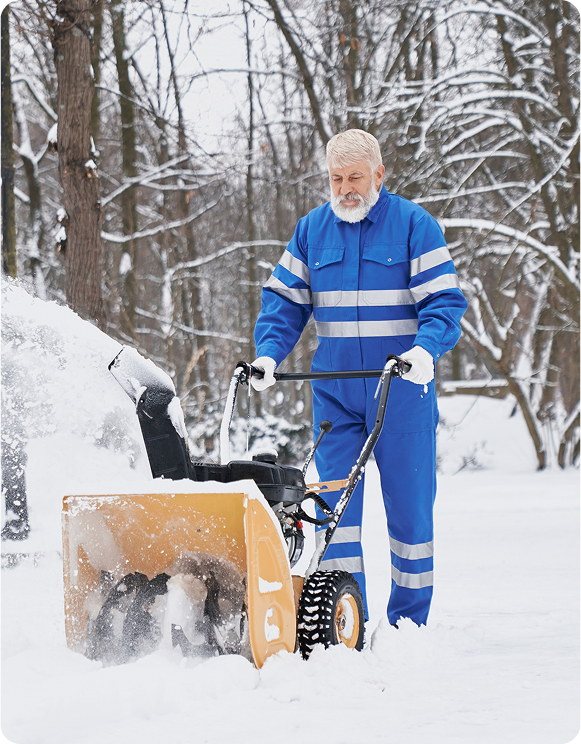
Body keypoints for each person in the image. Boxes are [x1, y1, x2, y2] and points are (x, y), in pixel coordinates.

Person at [251, 129, 467, 627]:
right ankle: (345, 618)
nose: (346, 188)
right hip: (336, 395)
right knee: (332, 514)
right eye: (336, 178)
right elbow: (284, 303)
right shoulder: (312, 230)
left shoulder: (415, 225)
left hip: (402, 391)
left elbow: (444, 303)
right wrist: (267, 356)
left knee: (410, 513)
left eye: (355, 177)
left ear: (379, 173)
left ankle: (408, 624)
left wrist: (424, 349)